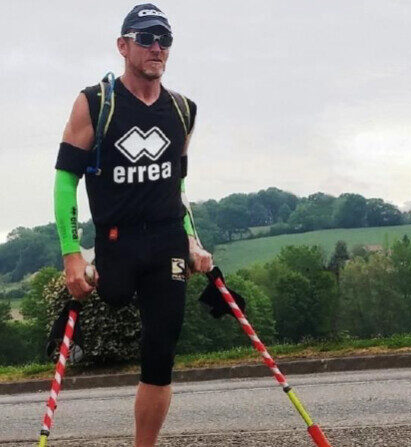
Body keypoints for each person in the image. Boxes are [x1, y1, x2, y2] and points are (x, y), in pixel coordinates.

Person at [53, 4, 212, 446]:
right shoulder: (95, 103)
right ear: (123, 45)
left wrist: (192, 241)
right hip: (116, 240)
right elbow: (67, 180)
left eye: (164, 39)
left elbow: (176, 187)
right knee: (113, 294)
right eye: (145, 38)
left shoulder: (182, 110)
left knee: (161, 352)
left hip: (166, 242)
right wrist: (71, 252)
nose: (156, 47)